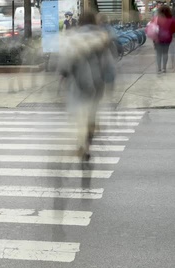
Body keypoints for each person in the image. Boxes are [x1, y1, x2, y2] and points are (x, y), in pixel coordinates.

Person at [58, 12, 114, 161]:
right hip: (97, 83)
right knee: (91, 115)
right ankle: (87, 146)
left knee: (79, 114)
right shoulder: (101, 37)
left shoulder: (74, 38)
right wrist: (110, 83)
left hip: (77, 83)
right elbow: (108, 64)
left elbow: (65, 61)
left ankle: (80, 142)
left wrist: (63, 75)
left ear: (80, 23)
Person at [151, 5, 175, 73]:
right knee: (165, 53)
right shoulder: (171, 20)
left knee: (158, 54)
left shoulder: (156, 19)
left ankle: (159, 69)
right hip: (167, 39)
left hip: (157, 39)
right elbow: (173, 30)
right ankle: (164, 68)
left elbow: (152, 28)